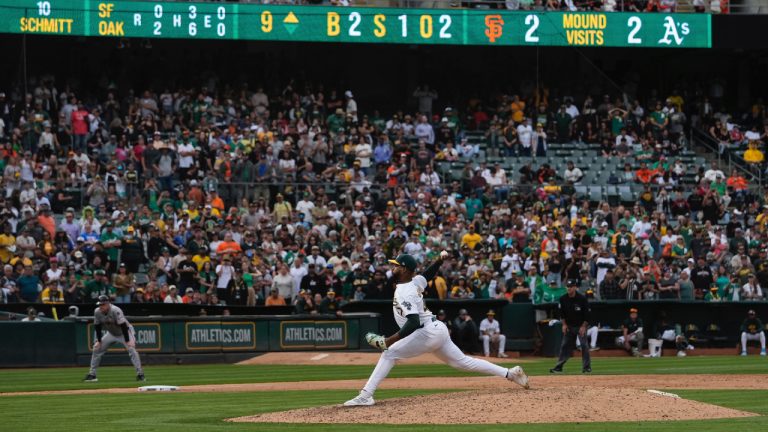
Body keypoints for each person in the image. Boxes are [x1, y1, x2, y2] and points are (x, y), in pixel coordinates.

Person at [344, 253, 528, 407]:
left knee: (389, 353)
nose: (393, 268)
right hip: (435, 329)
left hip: (427, 331)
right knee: (462, 362)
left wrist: (388, 341)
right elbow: (427, 274)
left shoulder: (404, 291)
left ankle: (366, 395)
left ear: (405, 269)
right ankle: (511, 373)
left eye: (397, 266)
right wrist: (439, 261)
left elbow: (413, 322)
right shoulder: (414, 282)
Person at [84, 295, 145, 382]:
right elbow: (97, 326)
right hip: (111, 333)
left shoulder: (115, 310)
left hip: (125, 332)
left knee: (132, 349)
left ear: (108, 303)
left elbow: (123, 326)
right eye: (100, 305)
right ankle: (92, 374)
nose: (101, 306)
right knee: (96, 348)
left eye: (103, 304)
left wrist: (128, 340)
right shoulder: (97, 312)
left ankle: (140, 374)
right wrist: (99, 341)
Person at [550, 279, 592, 374]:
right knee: (564, 346)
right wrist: (564, 325)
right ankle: (558, 367)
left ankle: (587, 367)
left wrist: (583, 327)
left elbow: (587, 314)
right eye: (567, 286)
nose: (569, 288)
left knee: (584, 345)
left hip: (580, 325)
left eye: (571, 286)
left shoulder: (582, 298)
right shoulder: (563, 299)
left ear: (575, 287)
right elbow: (562, 314)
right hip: (569, 326)